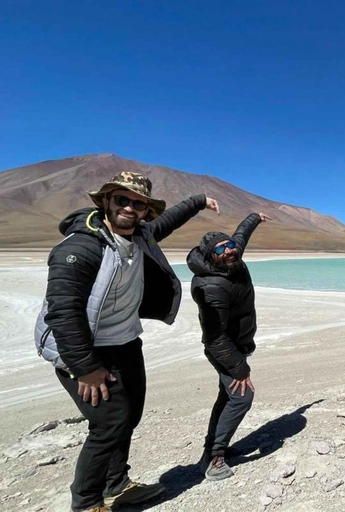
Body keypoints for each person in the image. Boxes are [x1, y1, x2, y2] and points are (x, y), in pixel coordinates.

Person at [34, 172, 220, 512]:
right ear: (106, 201)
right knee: (109, 423)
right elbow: (63, 311)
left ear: (146, 210)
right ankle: (87, 502)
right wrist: (86, 368)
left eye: (138, 203)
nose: (130, 208)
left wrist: (199, 201)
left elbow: (171, 220)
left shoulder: (142, 234)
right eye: (122, 200)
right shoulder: (80, 246)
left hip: (125, 343)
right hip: (83, 349)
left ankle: (116, 484)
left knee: (129, 416)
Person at [186, 211, 271, 480]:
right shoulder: (212, 287)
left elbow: (240, 235)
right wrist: (239, 367)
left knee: (226, 397)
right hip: (224, 348)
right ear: (211, 256)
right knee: (241, 396)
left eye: (229, 245)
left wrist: (254, 217)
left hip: (237, 344)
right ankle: (214, 458)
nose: (229, 250)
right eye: (221, 249)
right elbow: (214, 337)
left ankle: (212, 449)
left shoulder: (232, 257)